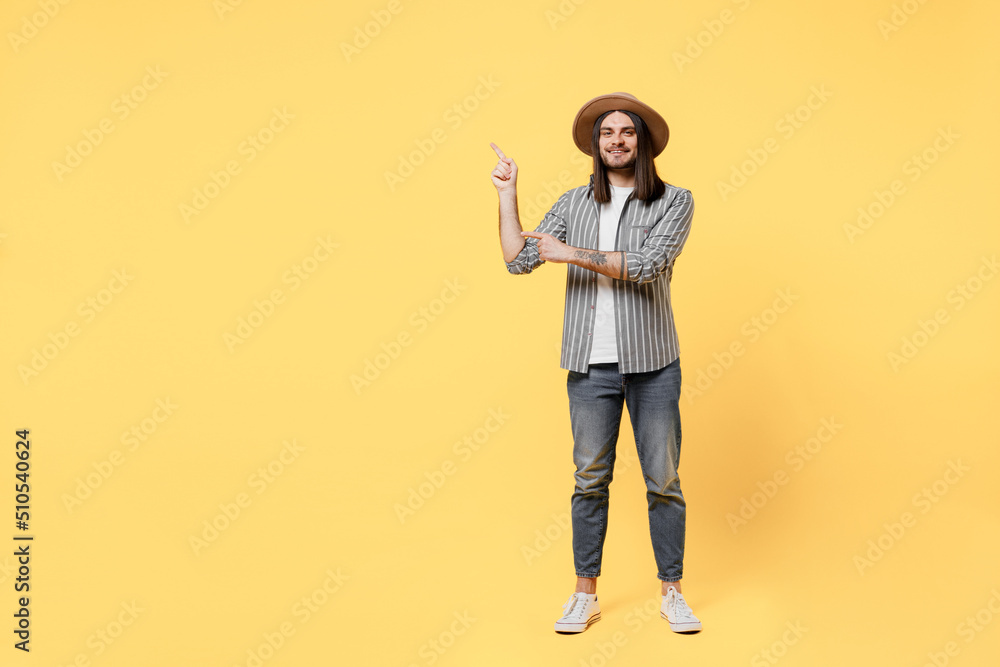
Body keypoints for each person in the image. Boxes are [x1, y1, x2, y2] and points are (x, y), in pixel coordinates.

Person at [490, 92, 701, 634]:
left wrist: (570, 253)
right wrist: (508, 195)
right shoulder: (573, 204)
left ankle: (672, 592)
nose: (616, 140)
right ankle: (585, 595)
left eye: (626, 131)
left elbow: (649, 264)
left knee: (663, 479)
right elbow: (518, 260)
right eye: (607, 132)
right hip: (589, 365)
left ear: (642, 141)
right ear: (595, 143)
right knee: (589, 479)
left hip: (653, 363)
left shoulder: (674, 200)